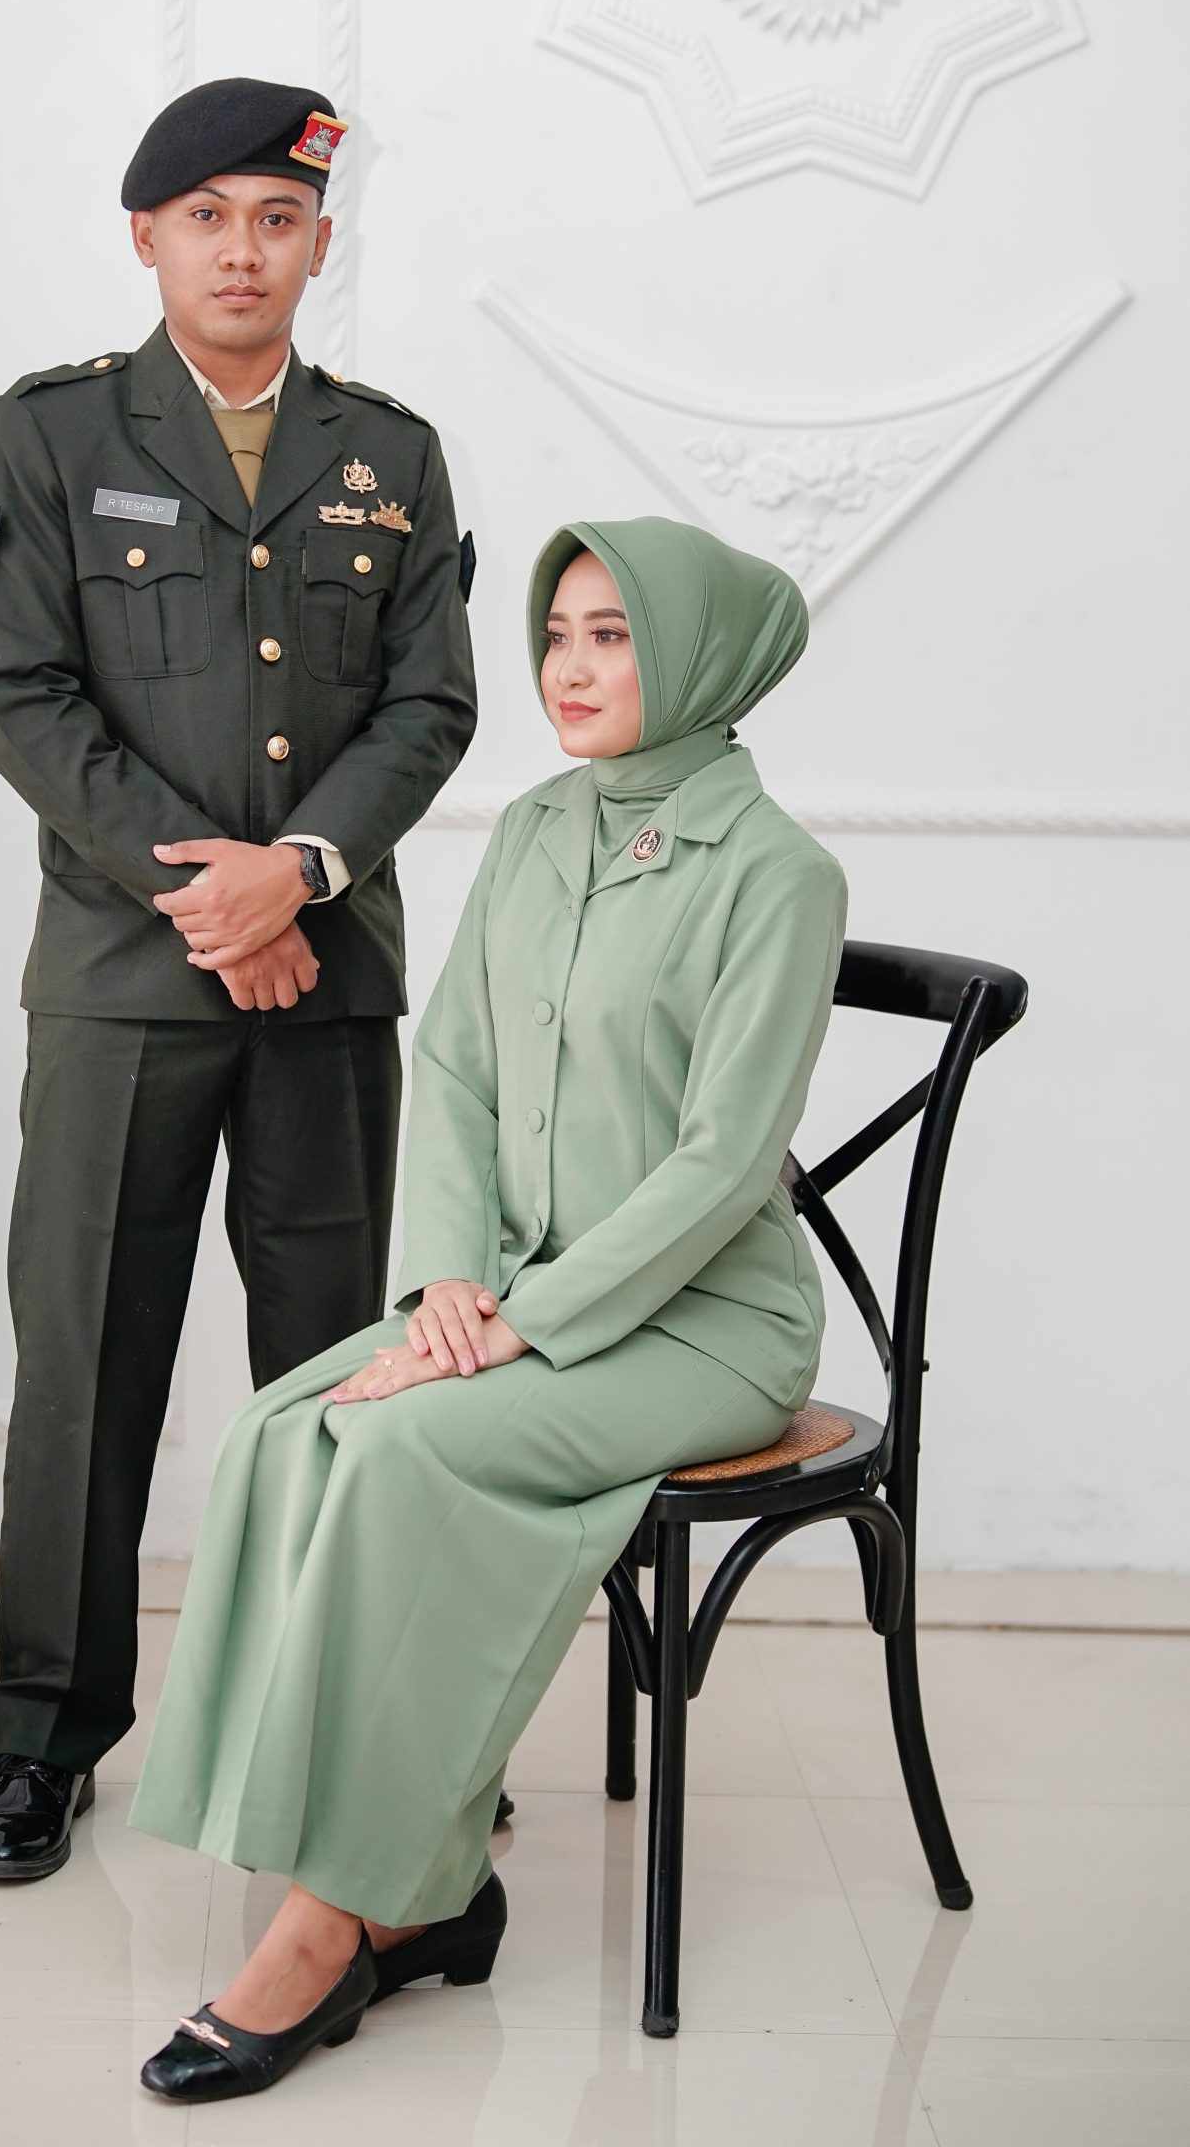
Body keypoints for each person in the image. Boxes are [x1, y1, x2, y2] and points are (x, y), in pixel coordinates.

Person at [127, 514, 848, 2102]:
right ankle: (420, 1884)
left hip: (706, 1325)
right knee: (292, 1426)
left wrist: (520, 1326)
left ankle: (339, 1919)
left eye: (615, 635)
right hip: (511, 1289)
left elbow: (725, 1164)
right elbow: (453, 1067)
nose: (569, 669)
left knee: (404, 1452)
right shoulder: (533, 832)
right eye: (558, 634)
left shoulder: (781, 876)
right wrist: (448, 1283)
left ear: (702, 658)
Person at [0, 77, 478, 1883]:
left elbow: (428, 703)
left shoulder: (391, 455)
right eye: (207, 218)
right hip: (126, 980)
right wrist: (218, 900)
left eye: (278, 218)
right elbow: (28, 699)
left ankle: (337, 1724)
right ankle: (43, 1741)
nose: (242, 250)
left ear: (320, 244)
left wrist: (300, 876)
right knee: (84, 1368)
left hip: (328, 985)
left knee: (337, 1371)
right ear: (147, 239)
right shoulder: (52, 433)